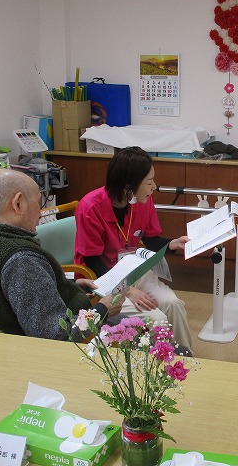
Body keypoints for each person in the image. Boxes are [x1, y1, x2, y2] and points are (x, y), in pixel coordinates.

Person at [0, 169, 123, 339]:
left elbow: (20, 291)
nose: (40, 213)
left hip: (30, 327)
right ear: (18, 204)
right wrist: (102, 310)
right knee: (132, 326)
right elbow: (56, 335)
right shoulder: (22, 261)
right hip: (64, 341)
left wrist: (71, 284)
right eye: (38, 203)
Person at [74, 146, 193, 353]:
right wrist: (126, 289)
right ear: (129, 187)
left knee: (174, 305)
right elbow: (93, 261)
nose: (154, 186)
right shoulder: (90, 208)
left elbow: (151, 239)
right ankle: (159, 364)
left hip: (135, 271)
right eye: (149, 182)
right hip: (104, 280)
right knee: (157, 319)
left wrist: (172, 244)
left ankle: (185, 358)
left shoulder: (142, 201)